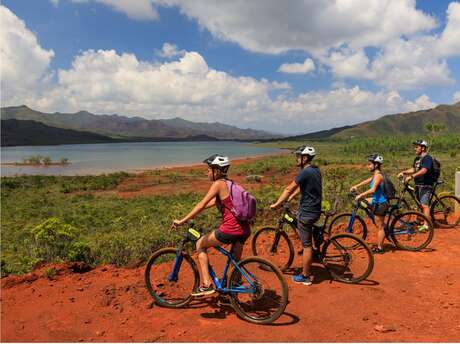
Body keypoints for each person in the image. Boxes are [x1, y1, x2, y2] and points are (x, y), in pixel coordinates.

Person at [171, 154, 250, 296]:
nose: (207, 172)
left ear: (217, 171)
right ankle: (232, 289)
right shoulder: (230, 184)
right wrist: (197, 211)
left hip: (230, 229)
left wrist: (182, 220)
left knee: (200, 244)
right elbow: (211, 204)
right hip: (244, 230)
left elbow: (201, 204)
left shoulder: (218, 184)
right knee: (235, 260)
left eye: (209, 169)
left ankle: (206, 284)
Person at [270, 145, 322, 286]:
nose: (296, 159)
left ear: (304, 158)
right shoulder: (315, 170)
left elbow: (288, 188)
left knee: (306, 245)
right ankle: (314, 252)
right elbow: (301, 188)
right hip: (315, 210)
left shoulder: (304, 172)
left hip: (307, 212)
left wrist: (277, 204)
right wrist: (291, 197)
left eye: (298, 157)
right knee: (303, 229)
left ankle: (305, 276)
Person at [350, 154, 388, 254]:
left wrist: (360, 195)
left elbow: (373, 189)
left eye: (370, 164)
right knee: (365, 202)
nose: (368, 166)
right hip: (377, 200)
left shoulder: (378, 175)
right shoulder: (375, 175)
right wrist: (356, 186)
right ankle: (382, 224)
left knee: (380, 227)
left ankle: (380, 248)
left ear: (376, 165)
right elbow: (368, 181)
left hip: (381, 203)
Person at [397, 140, 435, 230]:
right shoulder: (417, 159)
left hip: (426, 185)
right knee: (420, 204)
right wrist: (404, 172)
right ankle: (419, 220)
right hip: (418, 184)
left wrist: (411, 177)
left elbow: (424, 170)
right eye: (415, 147)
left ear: (423, 148)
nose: (415, 149)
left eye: (417, 147)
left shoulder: (427, 158)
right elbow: (414, 169)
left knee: (424, 205)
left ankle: (426, 225)